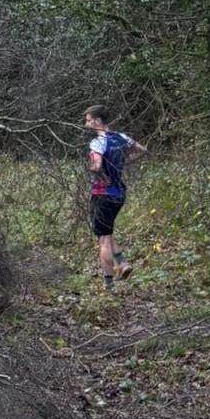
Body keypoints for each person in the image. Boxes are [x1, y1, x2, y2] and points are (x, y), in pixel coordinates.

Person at [84, 105, 147, 292]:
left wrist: (96, 172)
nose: (86, 124)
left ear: (97, 121)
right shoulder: (121, 137)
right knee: (108, 232)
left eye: (88, 120)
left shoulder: (98, 142)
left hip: (103, 194)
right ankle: (123, 262)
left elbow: (96, 166)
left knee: (103, 239)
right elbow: (142, 150)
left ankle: (108, 285)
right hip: (119, 193)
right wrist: (123, 164)